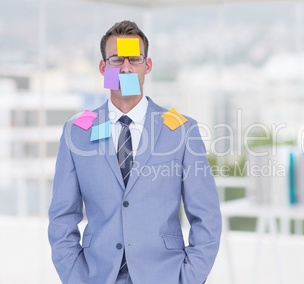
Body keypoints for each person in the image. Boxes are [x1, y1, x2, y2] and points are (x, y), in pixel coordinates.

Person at [48, 20, 222, 284]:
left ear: (147, 66)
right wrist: (76, 278)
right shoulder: (77, 132)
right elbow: (62, 218)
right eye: (117, 60)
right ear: (103, 67)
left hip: (165, 276)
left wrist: (188, 278)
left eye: (134, 59)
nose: (126, 68)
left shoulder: (182, 130)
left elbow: (206, 217)